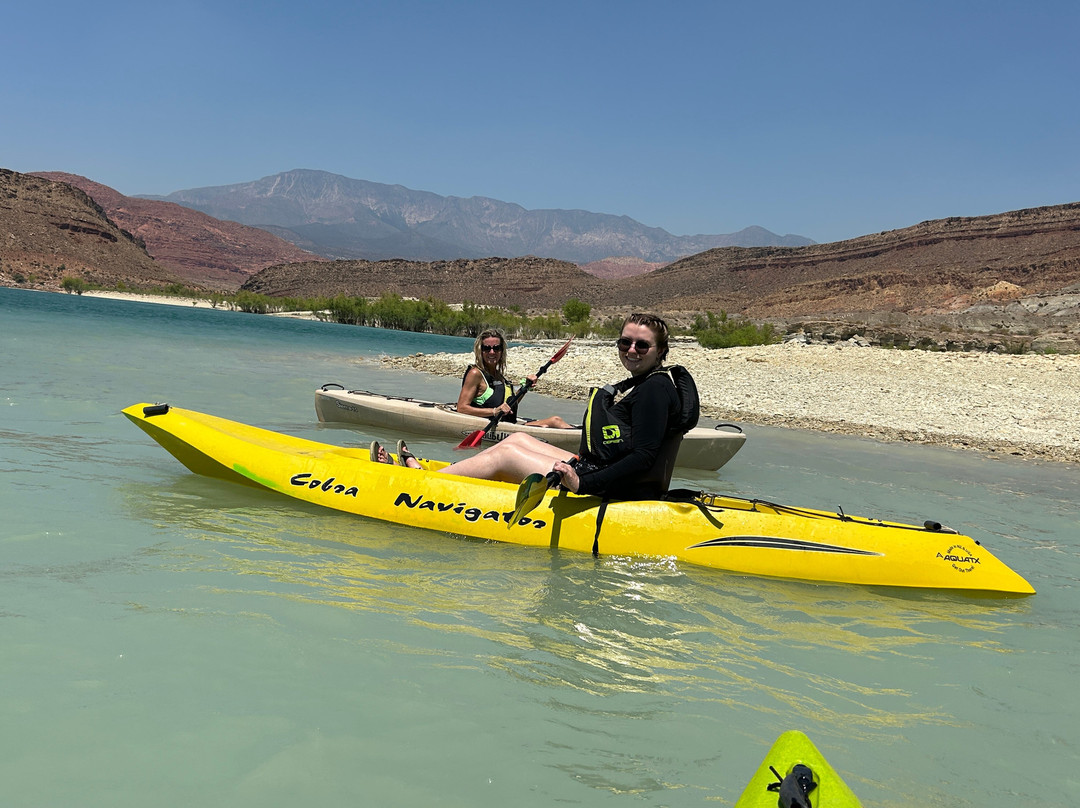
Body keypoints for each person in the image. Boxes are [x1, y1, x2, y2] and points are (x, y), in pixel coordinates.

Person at [425, 313, 696, 500]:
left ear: (660, 351)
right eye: (625, 342)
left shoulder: (655, 389)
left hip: (614, 488)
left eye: (642, 345)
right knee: (518, 437)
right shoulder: (646, 382)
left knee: (505, 456)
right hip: (602, 473)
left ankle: (424, 483)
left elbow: (644, 457)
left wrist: (582, 483)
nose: (632, 350)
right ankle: (445, 475)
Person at [456, 329, 571, 428]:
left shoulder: (498, 376)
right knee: (555, 421)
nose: (492, 352)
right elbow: (461, 408)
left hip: (509, 424)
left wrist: (525, 388)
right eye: (487, 348)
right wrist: (494, 411)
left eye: (496, 348)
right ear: (480, 350)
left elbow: (509, 405)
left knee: (556, 420)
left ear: (502, 351)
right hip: (494, 426)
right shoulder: (475, 373)